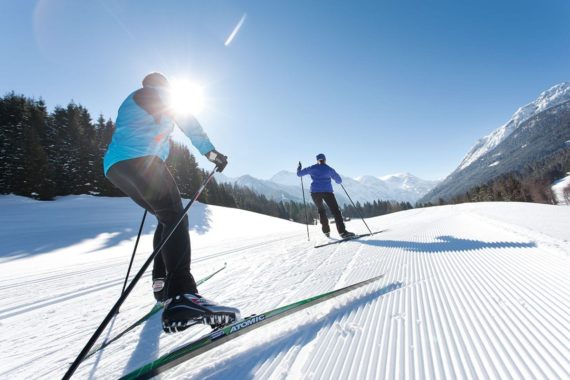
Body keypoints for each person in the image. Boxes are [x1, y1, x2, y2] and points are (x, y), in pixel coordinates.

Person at [104, 72, 240, 333]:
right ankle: (182, 295)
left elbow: (136, 131)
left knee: (166, 217)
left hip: (115, 167)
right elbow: (190, 123)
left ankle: (161, 281)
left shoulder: (131, 99)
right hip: (142, 160)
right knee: (176, 217)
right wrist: (212, 154)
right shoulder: (162, 96)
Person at [297, 154, 355, 238]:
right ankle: (342, 232)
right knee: (336, 211)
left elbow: (299, 174)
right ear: (325, 160)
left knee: (321, 211)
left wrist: (299, 168)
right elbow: (339, 181)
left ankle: (326, 231)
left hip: (315, 192)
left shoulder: (312, 168)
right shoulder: (329, 169)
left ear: (317, 160)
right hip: (327, 192)